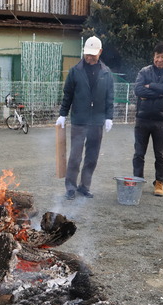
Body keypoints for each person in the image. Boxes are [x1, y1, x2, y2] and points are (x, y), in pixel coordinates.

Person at [56, 36, 114, 200]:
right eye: (87, 54)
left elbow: (110, 96)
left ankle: (84, 186)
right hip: (79, 121)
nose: (89, 57)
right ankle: (70, 187)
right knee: (75, 155)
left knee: (92, 157)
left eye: (93, 54)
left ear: (100, 52)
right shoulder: (75, 71)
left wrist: (109, 117)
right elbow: (67, 95)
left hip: (97, 122)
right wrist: (62, 114)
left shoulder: (106, 72)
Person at [132, 42, 163, 197]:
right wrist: (161, 92)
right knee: (139, 153)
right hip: (142, 118)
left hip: (161, 120)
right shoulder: (144, 71)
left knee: (161, 154)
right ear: (154, 56)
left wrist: (151, 86)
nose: (159, 59)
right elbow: (138, 90)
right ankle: (137, 180)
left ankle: (159, 182)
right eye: (157, 56)